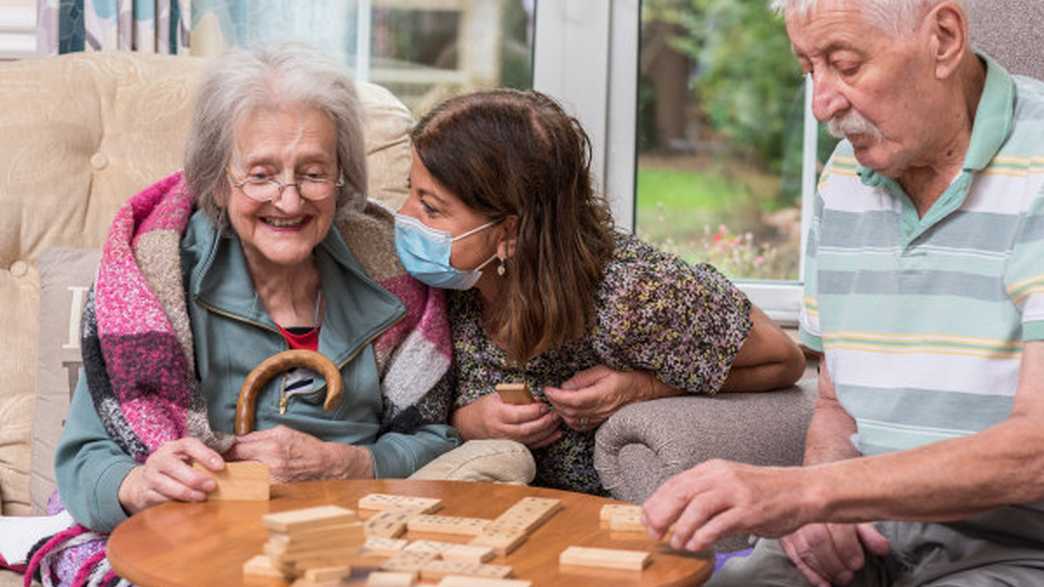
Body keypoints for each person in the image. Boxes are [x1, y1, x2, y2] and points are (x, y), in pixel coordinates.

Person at [641, 1, 1044, 585]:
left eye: (845, 65)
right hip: (869, 534)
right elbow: (835, 403)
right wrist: (823, 506)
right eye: (810, 70)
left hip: (1015, 548)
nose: (821, 104)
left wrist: (812, 493)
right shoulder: (845, 180)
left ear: (944, 37)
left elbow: (1035, 452)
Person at [36, 46, 458, 583]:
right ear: (216, 179)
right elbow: (81, 461)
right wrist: (138, 483)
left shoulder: (393, 275)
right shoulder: (153, 280)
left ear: (342, 179)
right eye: (260, 175)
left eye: (313, 173)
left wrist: (349, 464)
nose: (288, 201)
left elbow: (436, 440)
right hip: (194, 533)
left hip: (350, 532)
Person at [394, 89, 806, 496]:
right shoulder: (446, 288)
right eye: (410, 191)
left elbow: (784, 359)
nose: (403, 216)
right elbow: (401, 417)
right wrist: (469, 422)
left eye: (431, 208)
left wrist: (644, 388)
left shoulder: (635, 297)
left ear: (511, 231)